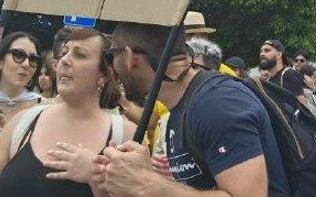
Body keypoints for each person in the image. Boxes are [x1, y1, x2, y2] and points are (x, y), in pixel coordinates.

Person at [95, 21, 291, 195]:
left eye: (111, 55)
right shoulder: (183, 105)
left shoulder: (218, 105)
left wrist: (148, 183)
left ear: (130, 57)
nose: (112, 67)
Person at [0, 27, 135, 196]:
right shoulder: (24, 121)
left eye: (80, 54)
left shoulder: (124, 134)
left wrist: (96, 180)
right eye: (64, 53)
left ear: (103, 75)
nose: (65, 60)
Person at [259, 39, 306, 104]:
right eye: (261, 51)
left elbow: (302, 107)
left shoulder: (289, 74)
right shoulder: (268, 79)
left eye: (267, 50)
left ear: (279, 54)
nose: (262, 54)